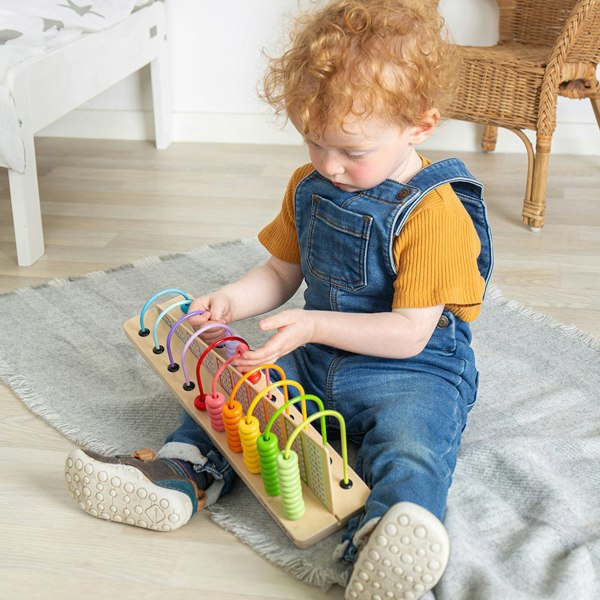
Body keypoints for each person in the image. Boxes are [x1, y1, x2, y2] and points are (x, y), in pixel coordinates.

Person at [65, 1, 493, 598]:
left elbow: (409, 333)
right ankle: (178, 474)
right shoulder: (310, 186)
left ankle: (385, 536)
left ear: (419, 125)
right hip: (314, 352)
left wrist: (314, 324)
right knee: (232, 388)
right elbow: (280, 270)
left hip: (411, 367)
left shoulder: (436, 214)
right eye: (314, 142)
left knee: (412, 441)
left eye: (351, 150)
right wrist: (232, 301)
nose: (330, 166)